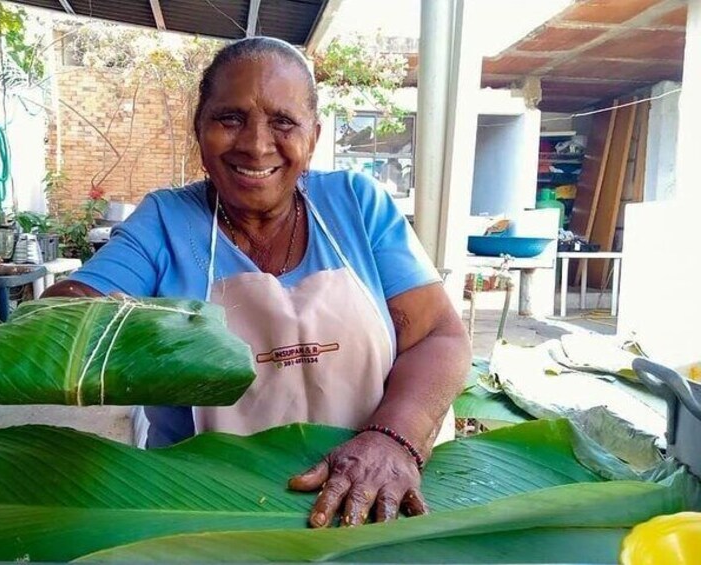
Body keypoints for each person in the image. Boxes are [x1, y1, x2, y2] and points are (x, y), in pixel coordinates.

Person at [44, 37, 471, 528]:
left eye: (283, 122)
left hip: (372, 503)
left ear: (313, 136)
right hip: (207, 510)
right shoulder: (164, 220)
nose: (255, 143)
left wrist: (394, 439)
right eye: (230, 118)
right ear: (199, 130)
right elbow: (70, 316)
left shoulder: (357, 204)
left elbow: (439, 335)